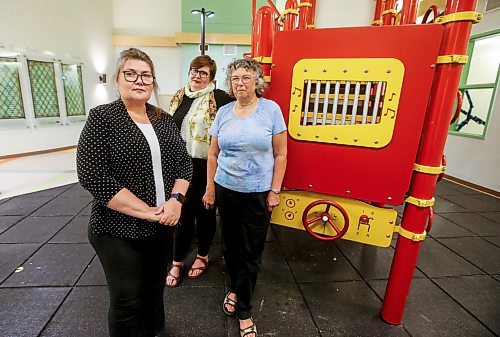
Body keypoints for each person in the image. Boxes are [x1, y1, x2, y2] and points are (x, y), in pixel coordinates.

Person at [77, 48, 192, 337]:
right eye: (131, 74)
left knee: (154, 292)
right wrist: (149, 211)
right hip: (116, 229)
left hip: (161, 225)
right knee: (127, 299)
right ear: (118, 79)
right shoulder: (103, 118)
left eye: (146, 75)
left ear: (153, 81)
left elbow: (183, 163)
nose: (139, 80)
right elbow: (93, 175)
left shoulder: (164, 119)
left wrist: (176, 201)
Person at [202, 58, 287, 337]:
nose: (240, 83)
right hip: (226, 190)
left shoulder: (270, 110)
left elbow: (281, 154)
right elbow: (213, 154)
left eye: (246, 78)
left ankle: (246, 310)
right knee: (231, 247)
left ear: (257, 82)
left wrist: (275, 190)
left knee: (251, 253)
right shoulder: (224, 112)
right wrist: (210, 188)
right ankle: (235, 289)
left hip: (257, 193)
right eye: (236, 78)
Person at [166, 55, 233, 287]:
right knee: (181, 212)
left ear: (211, 77)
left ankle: (202, 256)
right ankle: (177, 261)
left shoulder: (220, 98)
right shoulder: (179, 95)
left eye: (203, 73)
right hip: (179, 164)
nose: (197, 75)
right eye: (194, 70)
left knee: (205, 211)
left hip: (206, 165)